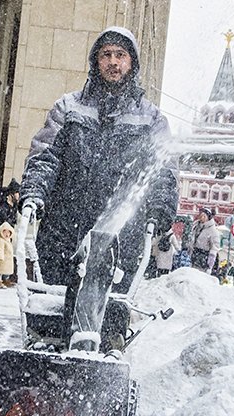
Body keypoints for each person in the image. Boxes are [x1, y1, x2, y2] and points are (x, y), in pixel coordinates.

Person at [18, 27, 178, 294]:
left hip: (121, 237)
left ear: (131, 63)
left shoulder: (151, 118)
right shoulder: (68, 108)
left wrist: (160, 209)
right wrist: (34, 191)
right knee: (50, 310)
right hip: (64, 229)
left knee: (110, 314)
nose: (113, 62)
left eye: (120, 55)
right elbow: (46, 155)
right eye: (106, 55)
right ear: (96, 62)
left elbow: (162, 169)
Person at [189, 207, 220, 274]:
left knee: (201, 277)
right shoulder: (196, 227)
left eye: (204, 216)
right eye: (201, 215)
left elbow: (214, 247)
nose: (202, 218)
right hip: (195, 255)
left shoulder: (213, 231)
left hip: (204, 257)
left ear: (208, 217)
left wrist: (210, 265)